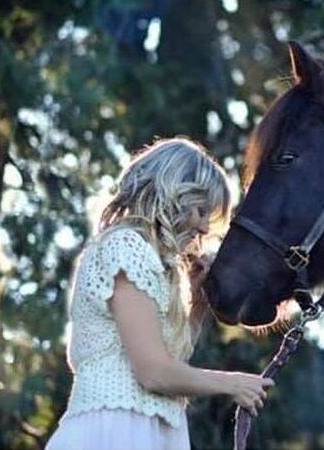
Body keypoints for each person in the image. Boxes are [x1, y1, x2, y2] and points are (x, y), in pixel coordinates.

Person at [46, 137, 274, 450]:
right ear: (173, 193)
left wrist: (197, 301)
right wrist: (231, 383)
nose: (206, 228)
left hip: (149, 430)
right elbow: (153, 373)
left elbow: (170, 360)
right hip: (114, 431)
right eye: (201, 210)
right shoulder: (125, 247)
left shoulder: (151, 262)